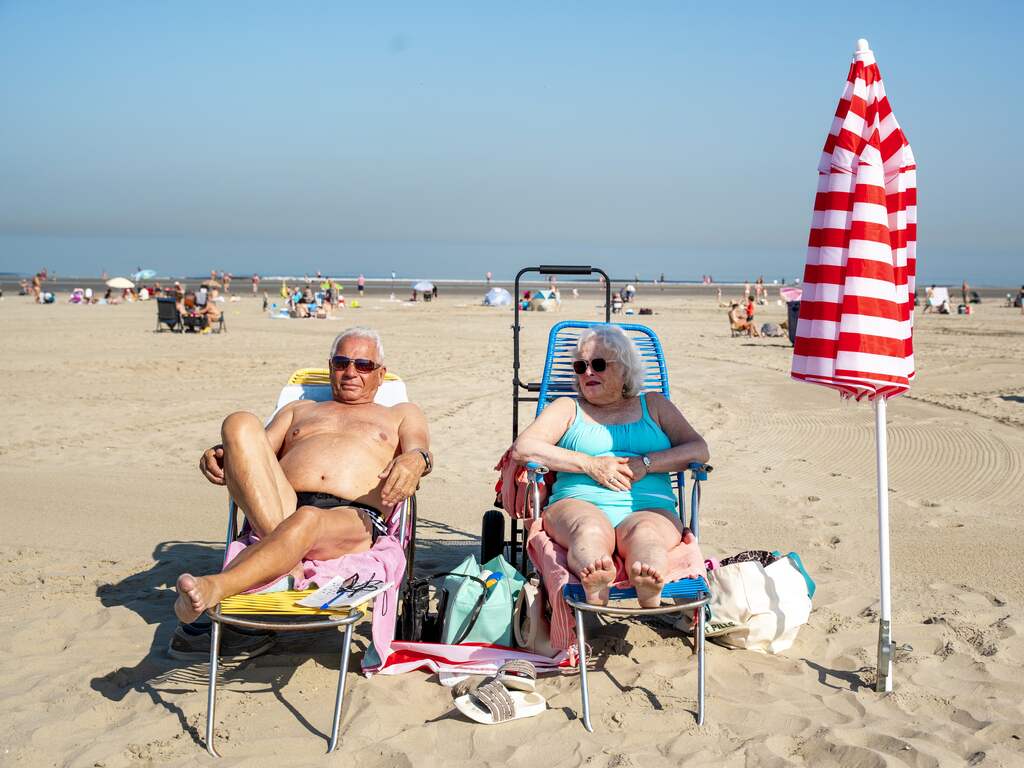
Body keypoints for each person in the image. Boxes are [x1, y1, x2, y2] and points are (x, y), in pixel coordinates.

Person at [173, 327, 432, 624]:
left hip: (352, 518)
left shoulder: (401, 413)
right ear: (330, 366)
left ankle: (216, 586)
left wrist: (416, 458)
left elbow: (420, 448)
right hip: (279, 508)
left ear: (380, 374)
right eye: (341, 363)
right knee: (239, 422)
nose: (350, 372)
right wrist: (223, 454)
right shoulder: (299, 409)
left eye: (363, 365)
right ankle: (288, 560)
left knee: (308, 518)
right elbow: (255, 454)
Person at [510, 326, 708, 607]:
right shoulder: (567, 408)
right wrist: (590, 464)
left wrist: (647, 463)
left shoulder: (655, 405)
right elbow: (523, 448)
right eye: (581, 366)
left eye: (599, 364)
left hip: (649, 506)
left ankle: (648, 579)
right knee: (588, 528)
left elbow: (699, 449)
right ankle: (595, 578)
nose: (588, 372)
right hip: (578, 502)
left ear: (625, 370)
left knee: (647, 536)